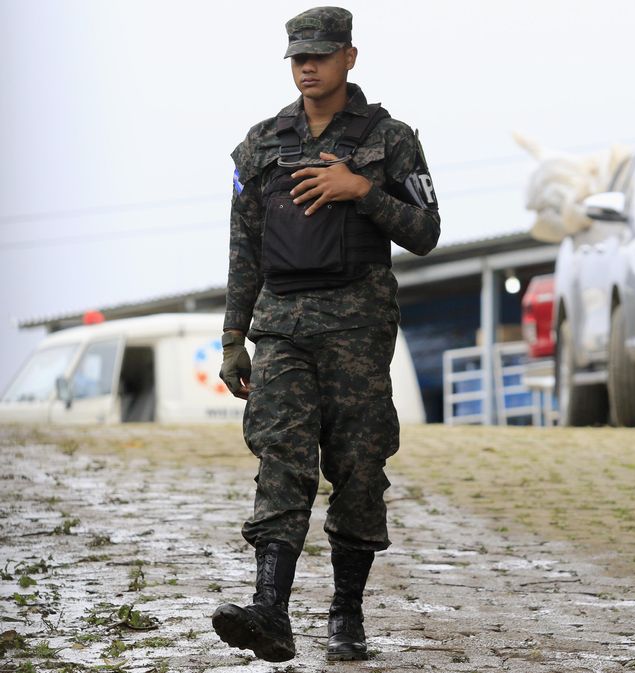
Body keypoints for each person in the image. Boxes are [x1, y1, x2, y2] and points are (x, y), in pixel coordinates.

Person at [212, 6, 440, 664]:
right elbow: (243, 249)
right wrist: (234, 338)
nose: (307, 65)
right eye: (297, 56)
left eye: (319, 54)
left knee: (359, 468)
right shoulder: (259, 146)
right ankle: (270, 610)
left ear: (349, 57)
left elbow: (426, 232)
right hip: (281, 327)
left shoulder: (390, 139)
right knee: (281, 458)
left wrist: (361, 189)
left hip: (358, 327)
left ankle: (347, 612)